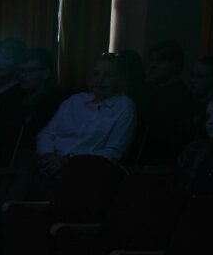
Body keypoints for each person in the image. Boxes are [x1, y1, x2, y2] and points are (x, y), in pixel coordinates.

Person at [34, 53, 136, 182]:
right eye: (96, 74)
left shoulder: (124, 106)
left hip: (86, 173)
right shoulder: (75, 101)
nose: (100, 80)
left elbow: (112, 152)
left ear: (120, 79)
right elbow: (47, 134)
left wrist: (67, 161)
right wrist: (47, 156)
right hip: (49, 163)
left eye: (108, 75)